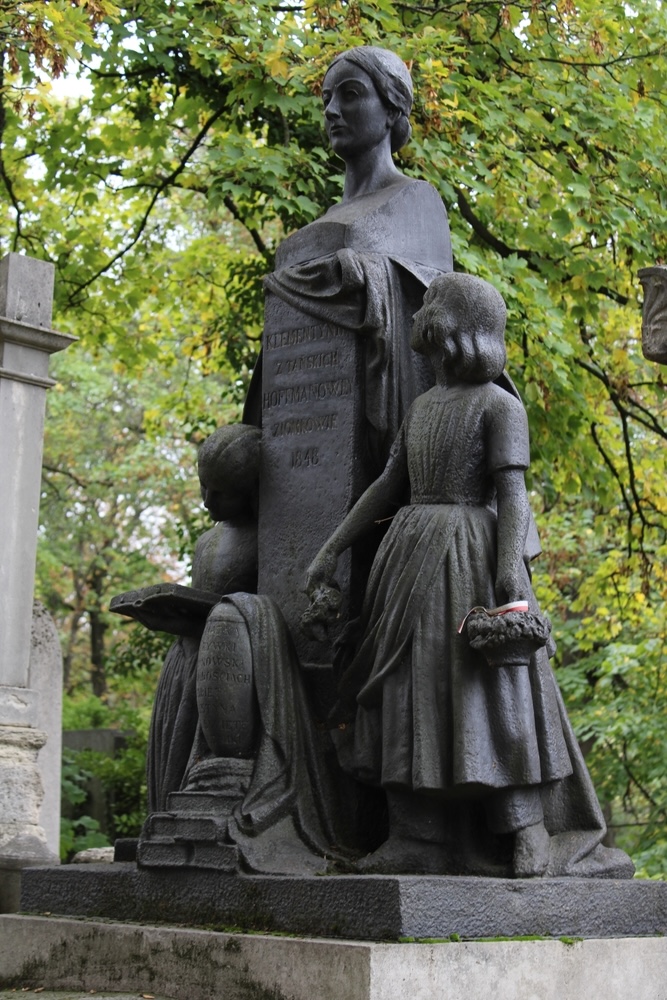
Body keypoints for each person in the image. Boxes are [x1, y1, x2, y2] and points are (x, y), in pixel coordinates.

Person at [305, 272, 634, 879]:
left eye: (428, 303)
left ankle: (527, 832)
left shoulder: (501, 406)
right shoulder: (422, 407)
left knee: (489, 695)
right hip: (409, 560)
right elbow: (386, 485)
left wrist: (510, 570)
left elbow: (514, 496)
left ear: (453, 324)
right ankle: (416, 835)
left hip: (471, 559)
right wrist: (331, 547)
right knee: (406, 691)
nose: (415, 313)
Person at [247, 45, 453, 469]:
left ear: (393, 109)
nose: (332, 110)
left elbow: (441, 316)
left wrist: (373, 274)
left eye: (351, 94)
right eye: (326, 99)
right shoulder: (325, 222)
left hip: (372, 451)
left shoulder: (417, 203)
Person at [147, 425, 260, 813]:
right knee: (172, 753)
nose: (207, 500)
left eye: (220, 492)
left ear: (249, 492)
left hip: (224, 662)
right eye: (203, 487)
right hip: (185, 657)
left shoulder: (263, 538)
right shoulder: (206, 541)